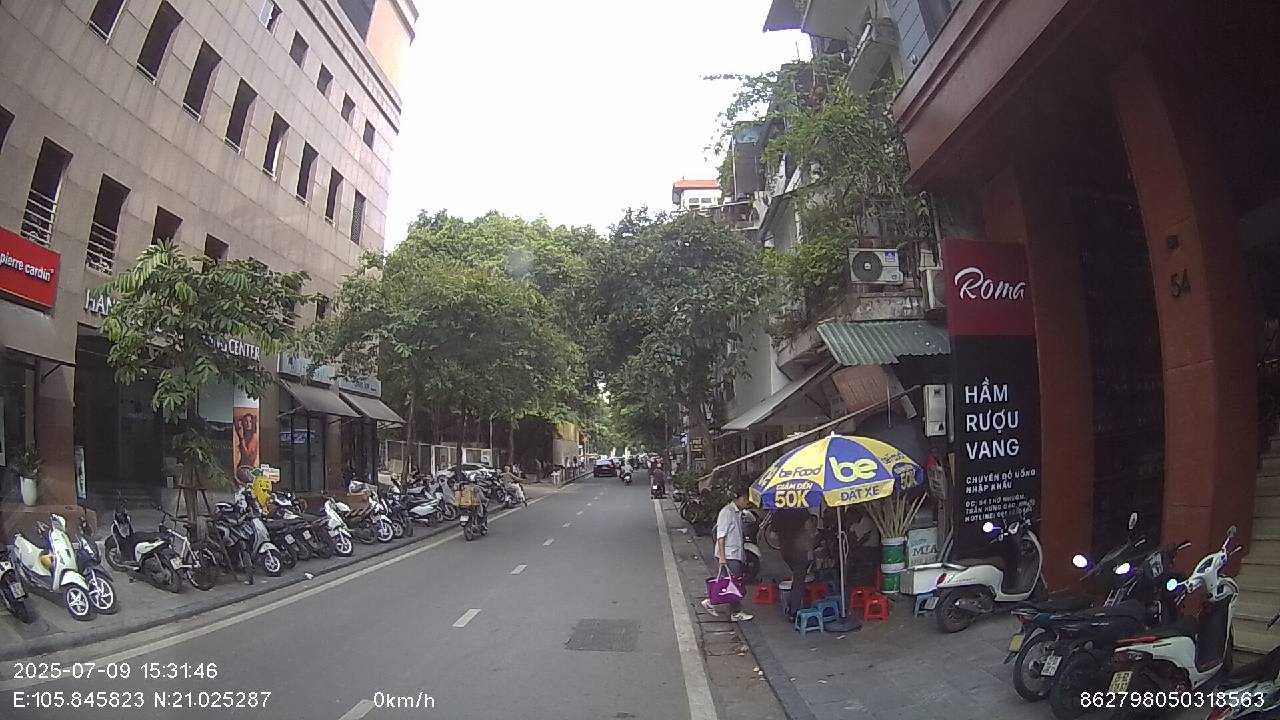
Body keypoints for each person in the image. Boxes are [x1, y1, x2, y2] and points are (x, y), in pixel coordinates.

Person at [701, 489, 755, 621]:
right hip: (729, 554)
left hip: (734, 553)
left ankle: (712, 602)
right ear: (738, 498)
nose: (747, 502)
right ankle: (735, 612)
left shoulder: (738, 512)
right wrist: (722, 557)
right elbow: (721, 536)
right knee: (733, 583)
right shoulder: (727, 513)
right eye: (745, 499)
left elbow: (752, 520)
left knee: (728, 582)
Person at [771, 508, 817, 620]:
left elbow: (773, 535)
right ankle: (793, 611)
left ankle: (794, 601)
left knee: (797, 576)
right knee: (799, 580)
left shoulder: (778, 512)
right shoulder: (802, 510)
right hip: (800, 550)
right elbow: (809, 528)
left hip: (785, 552)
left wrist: (784, 537)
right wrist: (810, 546)